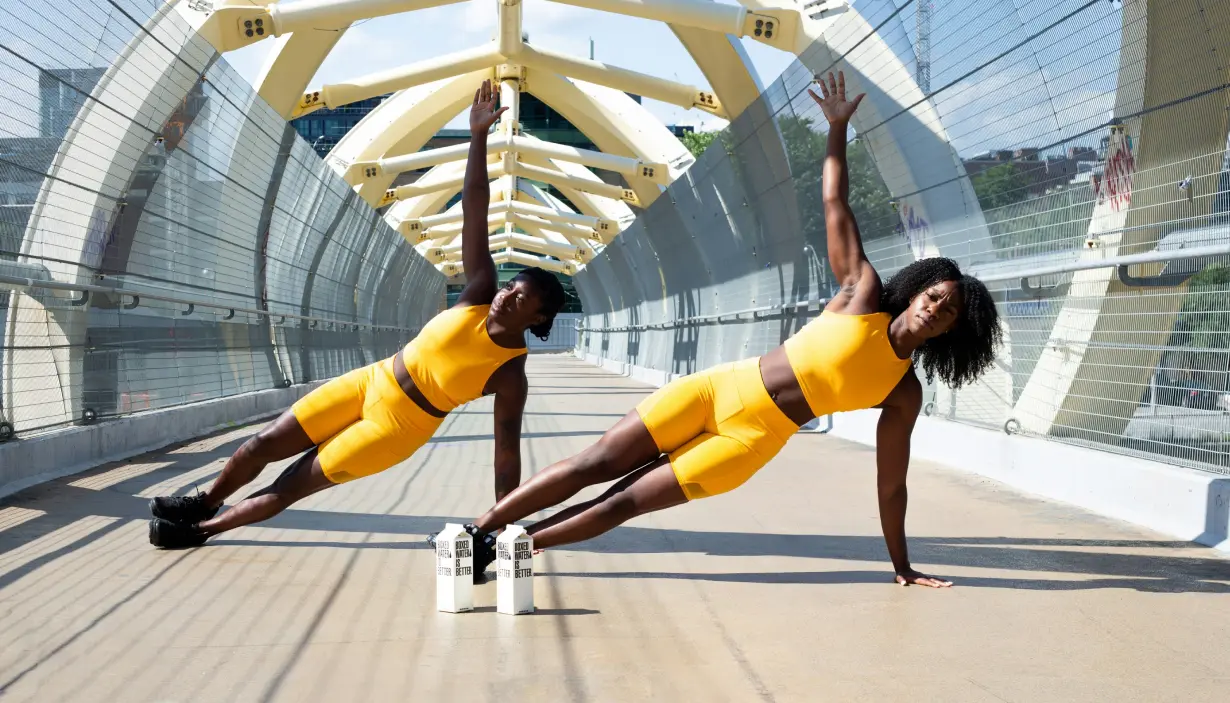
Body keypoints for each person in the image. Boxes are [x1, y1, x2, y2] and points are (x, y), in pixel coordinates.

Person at [441, 72, 1003, 587]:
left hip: (750, 440)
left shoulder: (904, 390)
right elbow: (835, 201)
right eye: (936, 297)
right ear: (919, 289)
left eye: (950, 312)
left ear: (954, 331)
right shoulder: (860, 294)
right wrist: (836, 129)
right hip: (717, 389)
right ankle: (475, 531)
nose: (937, 309)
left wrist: (901, 564)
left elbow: (891, 483)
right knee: (596, 463)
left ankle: (506, 551)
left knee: (623, 502)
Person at [148, 80, 566, 548]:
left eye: (520, 298)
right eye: (511, 285)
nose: (506, 294)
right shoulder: (478, 292)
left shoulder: (511, 373)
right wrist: (478, 137)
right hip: (371, 380)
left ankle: (199, 531)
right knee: (261, 444)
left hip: (395, 428)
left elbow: (505, 455)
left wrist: (500, 524)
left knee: (289, 484)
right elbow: (474, 209)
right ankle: (203, 503)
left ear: (537, 318)